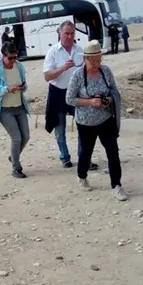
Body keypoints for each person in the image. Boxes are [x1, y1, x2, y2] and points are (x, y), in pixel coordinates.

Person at [66, 39, 128, 201]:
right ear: (85, 59)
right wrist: (90, 102)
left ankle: (117, 186)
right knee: (86, 153)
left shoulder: (105, 71)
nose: (96, 64)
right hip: (85, 123)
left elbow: (114, 90)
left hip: (106, 119)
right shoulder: (77, 75)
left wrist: (108, 100)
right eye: (93, 61)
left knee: (113, 152)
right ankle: (82, 176)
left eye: (99, 60)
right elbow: (69, 99)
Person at [43, 19, 97, 171]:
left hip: (76, 93)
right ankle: (65, 158)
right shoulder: (53, 52)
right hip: (57, 93)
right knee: (60, 129)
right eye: (66, 33)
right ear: (59, 33)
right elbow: (47, 76)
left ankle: (84, 159)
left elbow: (87, 72)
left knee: (83, 126)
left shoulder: (80, 50)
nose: (69, 36)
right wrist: (62, 68)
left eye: (72, 33)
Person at [0, 42, 30, 178]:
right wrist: (6, 89)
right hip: (5, 110)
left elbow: (24, 83)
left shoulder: (19, 66)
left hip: (20, 106)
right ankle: (16, 168)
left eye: (15, 57)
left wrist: (23, 87)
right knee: (16, 138)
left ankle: (13, 156)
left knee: (26, 136)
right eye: (10, 58)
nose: (13, 60)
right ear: (3, 56)